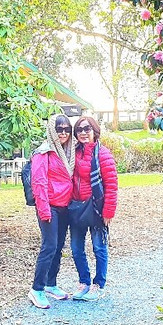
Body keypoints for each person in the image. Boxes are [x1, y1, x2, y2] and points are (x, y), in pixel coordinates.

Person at [28, 114, 76, 309]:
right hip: (49, 206)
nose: (63, 133)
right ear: (52, 131)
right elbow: (39, 182)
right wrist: (44, 210)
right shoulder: (43, 152)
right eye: (59, 129)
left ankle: (50, 284)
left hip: (65, 206)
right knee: (49, 246)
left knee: (58, 247)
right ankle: (37, 289)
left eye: (67, 129)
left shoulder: (68, 152)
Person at [69, 115, 118, 302]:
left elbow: (111, 185)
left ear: (95, 131)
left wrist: (108, 211)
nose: (83, 132)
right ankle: (84, 282)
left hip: (96, 207)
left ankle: (98, 284)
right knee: (76, 248)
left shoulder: (103, 154)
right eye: (79, 129)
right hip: (76, 206)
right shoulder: (73, 153)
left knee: (99, 247)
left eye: (87, 129)